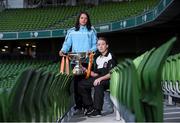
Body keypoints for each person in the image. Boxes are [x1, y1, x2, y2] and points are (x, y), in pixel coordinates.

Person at [59, 11, 97, 113]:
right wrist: (63, 50)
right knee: (76, 84)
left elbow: (95, 45)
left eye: (85, 18)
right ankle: (79, 105)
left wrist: (91, 50)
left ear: (87, 20)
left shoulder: (92, 31)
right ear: (78, 19)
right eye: (81, 18)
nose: (83, 20)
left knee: (86, 84)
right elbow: (67, 44)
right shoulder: (72, 31)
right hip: (75, 62)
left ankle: (87, 105)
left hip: (87, 61)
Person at [78, 37, 117, 117]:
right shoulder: (98, 58)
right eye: (98, 45)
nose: (100, 46)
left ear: (107, 46)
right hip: (99, 78)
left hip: (109, 79)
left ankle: (97, 110)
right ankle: (90, 107)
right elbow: (95, 74)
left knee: (98, 84)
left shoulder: (110, 56)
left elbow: (111, 73)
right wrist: (84, 69)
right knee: (81, 84)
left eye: (103, 44)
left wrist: (100, 78)